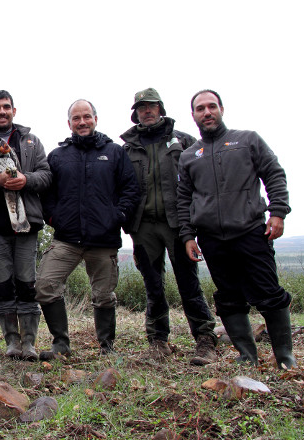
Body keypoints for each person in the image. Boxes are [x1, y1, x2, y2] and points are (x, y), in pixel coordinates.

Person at [177, 89, 297, 369]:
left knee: (269, 293)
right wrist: (187, 235)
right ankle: (246, 356)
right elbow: (183, 198)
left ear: (221, 109)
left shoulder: (247, 140)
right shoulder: (190, 155)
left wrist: (278, 212)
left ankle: (285, 357)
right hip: (212, 238)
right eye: (200, 109)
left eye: (212, 106)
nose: (207, 112)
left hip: (251, 231)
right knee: (229, 297)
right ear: (193, 115)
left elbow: (274, 173)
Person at [36, 99, 140, 358]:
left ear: (95, 118)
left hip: (103, 239)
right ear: (69, 123)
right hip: (67, 239)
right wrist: (54, 218)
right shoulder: (58, 156)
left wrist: (117, 216)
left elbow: (130, 189)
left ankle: (107, 347)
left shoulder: (114, 152)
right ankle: (61, 344)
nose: (82, 122)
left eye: (86, 117)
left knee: (104, 295)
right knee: (45, 285)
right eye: (76, 118)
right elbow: (47, 194)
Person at [121, 88, 217, 365]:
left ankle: (205, 340)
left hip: (178, 226)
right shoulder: (127, 148)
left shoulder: (185, 141)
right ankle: (158, 342)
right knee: (153, 286)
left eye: (151, 106)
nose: (147, 111)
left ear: (161, 108)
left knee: (189, 284)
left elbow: (201, 181)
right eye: (141, 107)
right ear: (136, 112)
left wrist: (197, 221)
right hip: (143, 227)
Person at [0, 90, 52, 360]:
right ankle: (11, 343)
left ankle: (29, 343)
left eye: (6, 107)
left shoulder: (30, 142)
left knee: (27, 283)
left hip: (26, 225)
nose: (1, 111)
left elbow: (47, 175)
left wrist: (25, 180)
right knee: (2, 284)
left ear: (14, 111)